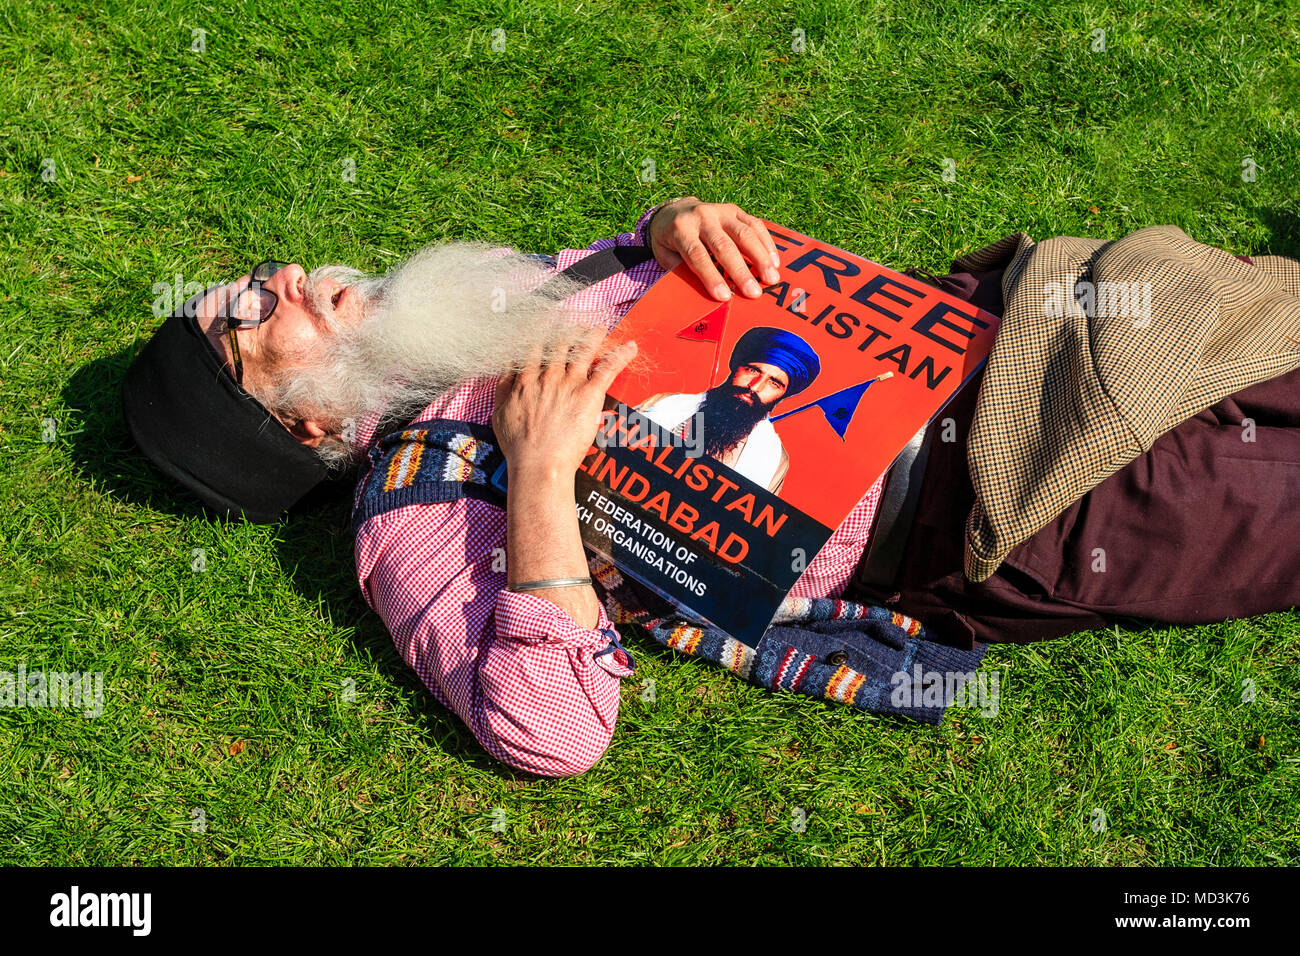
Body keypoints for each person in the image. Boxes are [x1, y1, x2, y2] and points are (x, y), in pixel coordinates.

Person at [122, 196, 1300, 776]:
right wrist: (537, 474)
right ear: (310, 423)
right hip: (1028, 485)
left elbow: (635, 273)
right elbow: (550, 731)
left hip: (1016, 326)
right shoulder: (414, 515)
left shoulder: (461, 309)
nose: (273, 277)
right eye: (245, 319)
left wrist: (677, 223)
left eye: (244, 282)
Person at [636, 326, 822, 494]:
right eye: (752, 370)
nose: (755, 387)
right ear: (736, 367)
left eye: (774, 383)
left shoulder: (775, 460)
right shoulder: (665, 404)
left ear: (781, 396)